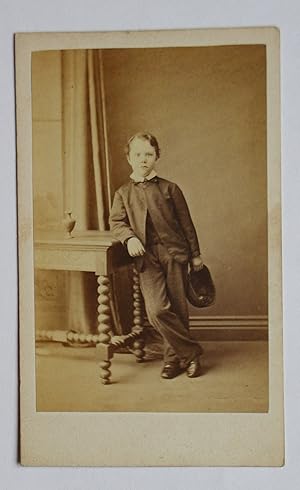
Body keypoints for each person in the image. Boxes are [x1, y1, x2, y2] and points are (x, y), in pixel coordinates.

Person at [109, 132, 204, 379]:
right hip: (146, 258)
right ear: (129, 158)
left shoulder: (170, 188)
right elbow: (117, 222)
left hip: (174, 254)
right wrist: (129, 238)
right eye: (138, 154)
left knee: (178, 308)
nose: (143, 159)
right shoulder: (122, 193)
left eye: (148, 154)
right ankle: (191, 353)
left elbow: (187, 225)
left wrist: (195, 255)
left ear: (157, 157)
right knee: (158, 310)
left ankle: (173, 360)